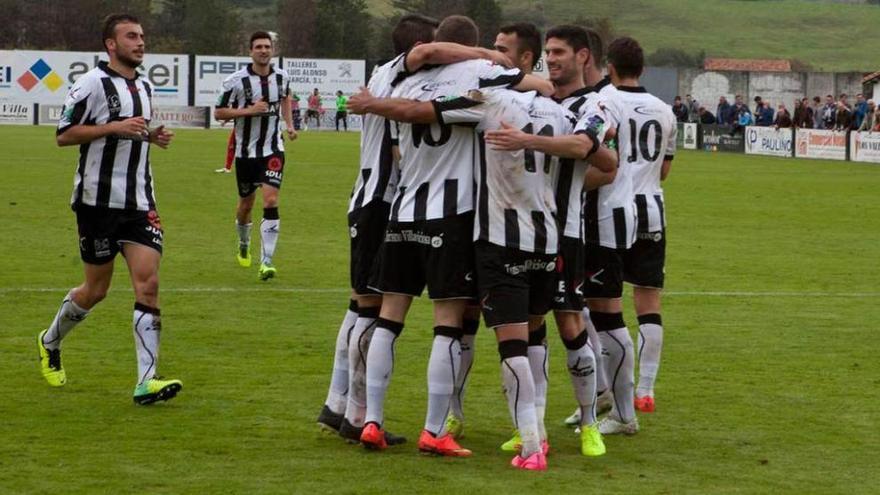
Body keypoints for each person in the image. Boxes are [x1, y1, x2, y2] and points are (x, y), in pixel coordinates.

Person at [346, 15, 553, 457]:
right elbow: (541, 87)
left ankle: (372, 421)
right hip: (452, 215)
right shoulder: (481, 74)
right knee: (447, 325)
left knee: (390, 317)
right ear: (473, 45)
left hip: (403, 210)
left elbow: (406, 118)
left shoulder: (405, 83)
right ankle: (434, 429)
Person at [317, 13, 514, 448]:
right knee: (377, 311)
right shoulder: (410, 75)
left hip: (392, 203)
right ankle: (355, 413)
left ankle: (342, 405)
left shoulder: (395, 81)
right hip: (387, 201)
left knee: (367, 309)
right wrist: (487, 54)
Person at [37, 13, 182, 404]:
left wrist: (152, 136)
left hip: (139, 202)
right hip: (96, 204)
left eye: (142, 35)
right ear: (111, 44)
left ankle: (146, 381)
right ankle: (50, 340)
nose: (140, 42)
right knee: (96, 289)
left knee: (148, 285)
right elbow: (63, 135)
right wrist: (113, 127)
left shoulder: (148, 86)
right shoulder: (90, 84)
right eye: (131, 36)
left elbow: (133, 132)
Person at [491, 24, 608, 459]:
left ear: (582, 56)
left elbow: (584, 146)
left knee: (570, 325)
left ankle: (590, 423)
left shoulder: (596, 104)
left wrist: (527, 140)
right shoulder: (533, 101)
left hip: (567, 233)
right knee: (530, 326)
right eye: (548, 53)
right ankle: (532, 428)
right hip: (522, 232)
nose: (552, 59)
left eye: (560, 52)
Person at [215, 31, 297, 281]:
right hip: (245, 153)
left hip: (273, 149)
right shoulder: (235, 81)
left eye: (267, 46)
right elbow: (219, 113)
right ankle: (243, 242)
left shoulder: (282, 77)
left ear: (273, 50)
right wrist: (250, 111)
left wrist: (289, 125)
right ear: (250, 51)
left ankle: (267, 261)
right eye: (258, 47)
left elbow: (285, 98)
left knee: (270, 200)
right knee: (245, 206)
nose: (263, 50)